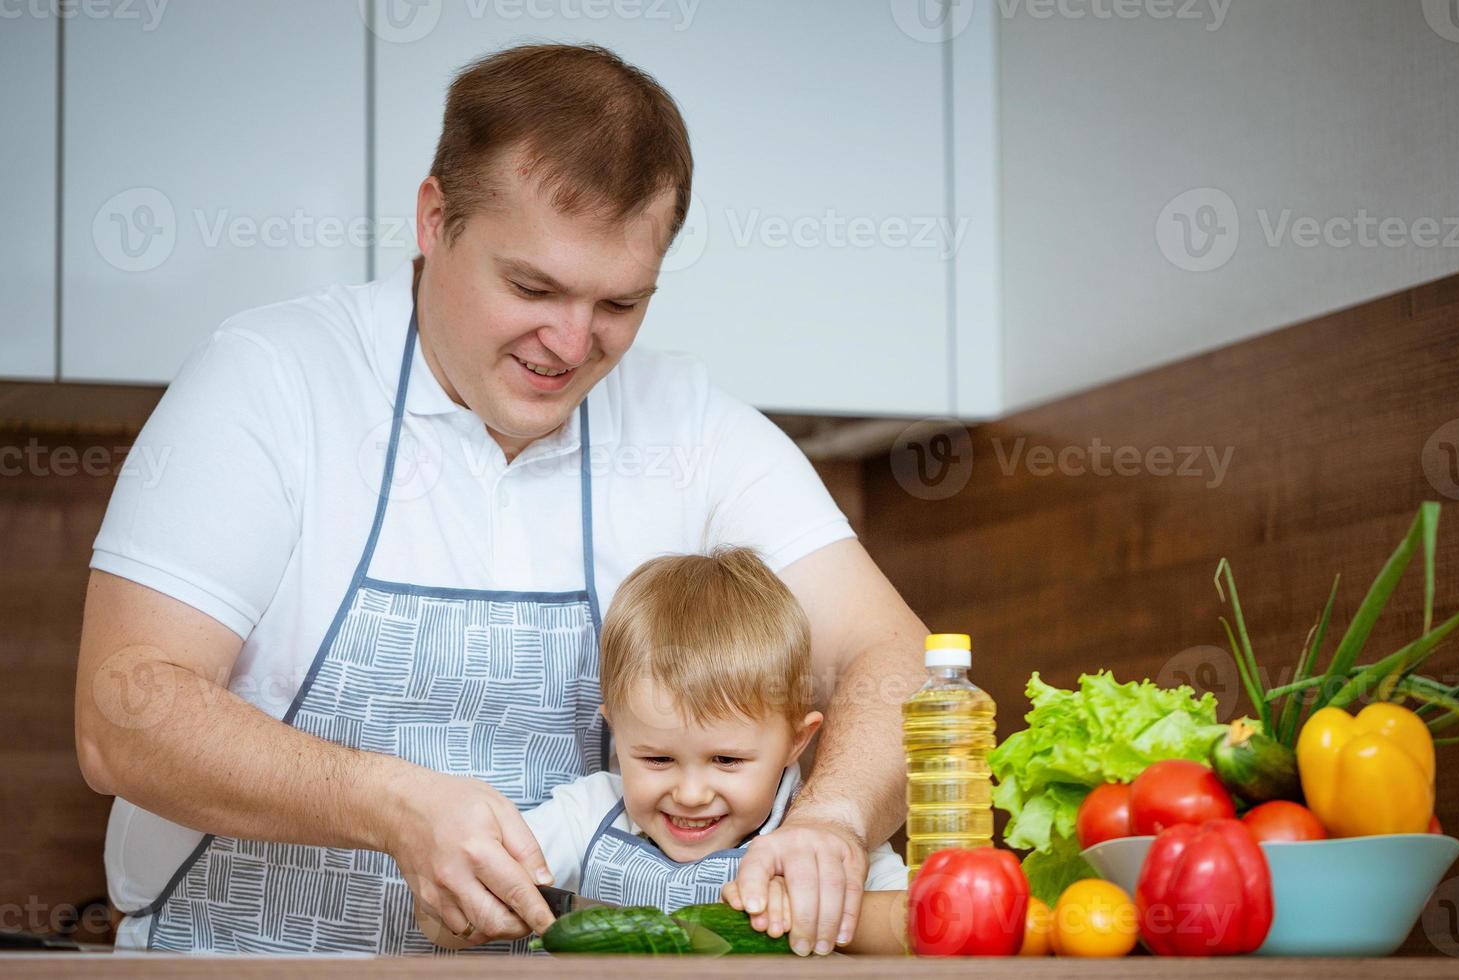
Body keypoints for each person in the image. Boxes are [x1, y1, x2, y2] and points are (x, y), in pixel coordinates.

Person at [74, 42, 928, 956]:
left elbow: (900, 654)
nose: (570, 343)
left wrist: (833, 819)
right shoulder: (272, 383)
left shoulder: (687, 426)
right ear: (435, 218)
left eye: (619, 305)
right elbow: (123, 709)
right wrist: (388, 802)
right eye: (532, 286)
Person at [419, 547, 908, 950]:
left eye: (727, 760)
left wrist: (813, 903)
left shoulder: (816, 842)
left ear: (795, 742)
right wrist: (457, 912)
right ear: (617, 733)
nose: (691, 793)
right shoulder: (584, 818)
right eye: (657, 759)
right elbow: (445, 916)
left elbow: (918, 928)